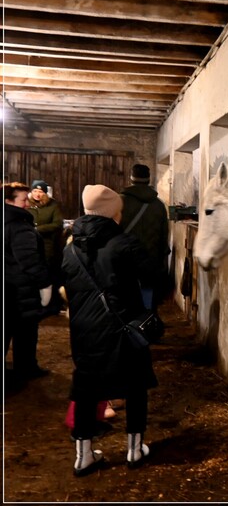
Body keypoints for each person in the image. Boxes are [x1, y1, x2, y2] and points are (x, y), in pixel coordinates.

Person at [61, 184, 159, 476]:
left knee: (85, 389)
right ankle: (134, 449)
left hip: (84, 330)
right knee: (135, 386)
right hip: (123, 327)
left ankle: (84, 456)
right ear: (114, 213)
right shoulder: (126, 243)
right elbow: (154, 276)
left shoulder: (70, 248)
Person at [4, 182, 53, 380]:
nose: (27, 204)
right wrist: (44, 283)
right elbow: (29, 259)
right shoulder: (18, 225)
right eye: (23, 200)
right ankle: (26, 368)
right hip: (20, 288)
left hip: (7, 286)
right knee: (25, 332)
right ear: (8, 201)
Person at [120, 164, 170, 310]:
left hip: (125, 259)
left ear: (131, 178)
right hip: (150, 260)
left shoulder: (120, 202)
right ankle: (145, 323)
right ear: (149, 180)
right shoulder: (159, 206)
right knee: (147, 293)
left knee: (126, 297)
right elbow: (163, 236)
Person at [27, 179, 65, 314]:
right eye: (35, 191)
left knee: (48, 273)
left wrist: (39, 229)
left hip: (47, 245)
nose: (37, 194)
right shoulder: (27, 205)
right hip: (29, 245)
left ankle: (51, 305)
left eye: (41, 191)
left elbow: (57, 224)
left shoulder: (52, 205)